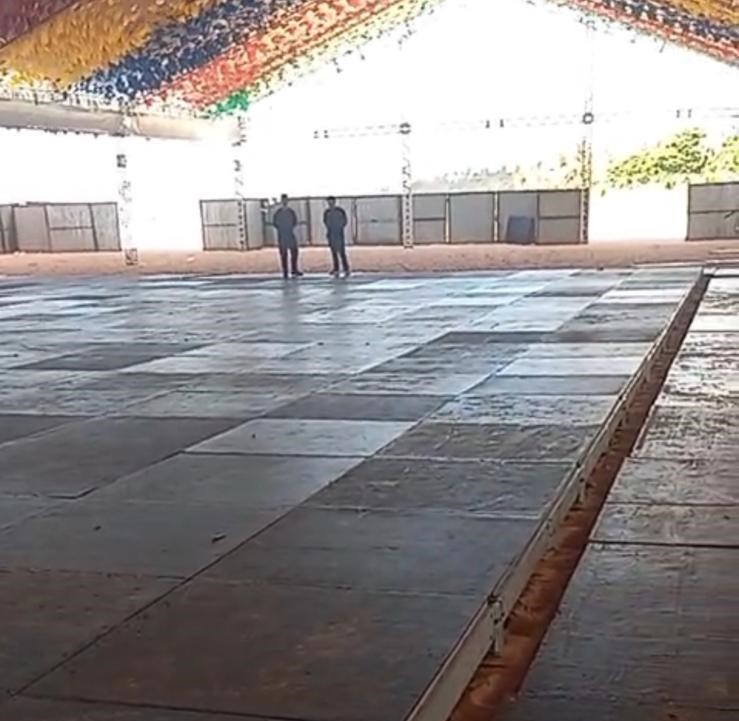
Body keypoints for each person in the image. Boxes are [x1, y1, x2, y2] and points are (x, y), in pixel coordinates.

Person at [272, 194, 302, 279]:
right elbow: (275, 223)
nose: (285, 202)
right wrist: (281, 228)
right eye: (283, 200)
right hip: (282, 235)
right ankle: (285, 271)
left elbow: (294, 221)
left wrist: (290, 227)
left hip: (289, 233)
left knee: (294, 252)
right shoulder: (278, 213)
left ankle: (294, 269)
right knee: (283, 254)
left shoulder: (290, 212)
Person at [323, 196, 350, 277]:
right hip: (331, 234)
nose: (330, 203)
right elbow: (325, 222)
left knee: (342, 252)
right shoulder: (327, 212)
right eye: (329, 202)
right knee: (333, 252)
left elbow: (344, 221)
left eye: (331, 201)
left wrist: (339, 227)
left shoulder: (340, 211)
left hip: (339, 233)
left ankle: (346, 268)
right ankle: (336, 268)